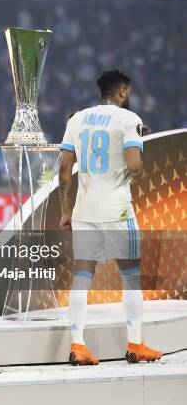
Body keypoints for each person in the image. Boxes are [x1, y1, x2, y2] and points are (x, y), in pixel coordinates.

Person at [58, 69, 162, 365]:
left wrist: (66, 209)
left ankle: (78, 345)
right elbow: (135, 166)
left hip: (84, 210)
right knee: (130, 278)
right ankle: (135, 344)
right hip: (117, 210)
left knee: (82, 276)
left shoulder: (77, 119)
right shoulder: (130, 120)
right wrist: (137, 144)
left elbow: (65, 168)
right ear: (123, 92)